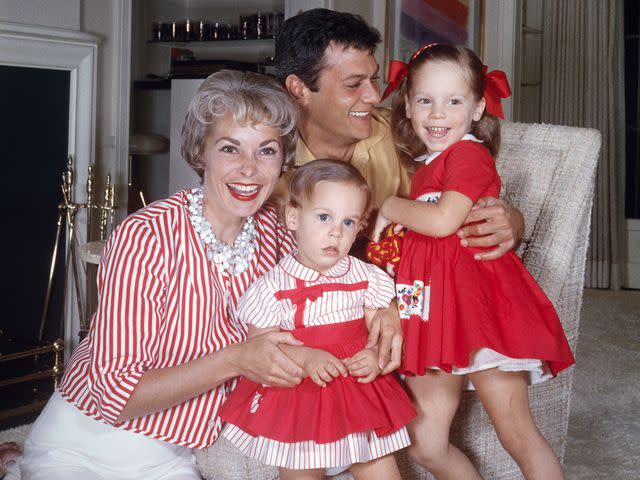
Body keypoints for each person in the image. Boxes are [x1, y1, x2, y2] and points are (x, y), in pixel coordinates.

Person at [8, 70, 308, 480]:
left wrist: (383, 308)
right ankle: (21, 462)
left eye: (267, 151)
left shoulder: (276, 229)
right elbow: (115, 396)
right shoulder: (145, 237)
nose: (249, 170)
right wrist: (237, 359)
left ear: (282, 159)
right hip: (83, 443)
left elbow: (331, 285)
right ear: (201, 153)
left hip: (171, 456)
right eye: (230, 148)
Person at [273, 8, 525, 373]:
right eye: (353, 84)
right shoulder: (271, 171)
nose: (375, 95)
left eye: (374, 79)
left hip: (423, 299)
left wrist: (512, 220)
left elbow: (462, 190)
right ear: (299, 89)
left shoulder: (408, 137)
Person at [370, 44, 576, 479]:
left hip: (481, 312)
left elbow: (444, 222)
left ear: (479, 106)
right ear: (407, 104)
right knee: (426, 445)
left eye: (454, 101)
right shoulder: (426, 166)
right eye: (425, 100)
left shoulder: (468, 154)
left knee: (516, 434)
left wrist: (389, 206)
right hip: (430, 312)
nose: (438, 113)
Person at [219, 160, 416, 479]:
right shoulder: (273, 286)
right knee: (301, 471)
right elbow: (261, 348)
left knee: (382, 469)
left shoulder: (365, 276)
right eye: (324, 217)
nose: (336, 232)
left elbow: (380, 329)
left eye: (349, 222)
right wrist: (306, 357)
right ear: (293, 217)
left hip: (357, 391)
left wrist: (372, 355)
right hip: (300, 396)